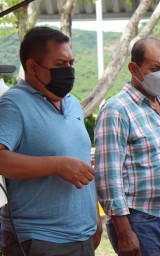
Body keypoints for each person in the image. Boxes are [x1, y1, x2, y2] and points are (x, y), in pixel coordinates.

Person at [0, 26, 101, 256]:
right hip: (39, 239)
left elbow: (81, 161)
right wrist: (56, 165)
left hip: (82, 235)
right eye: (59, 65)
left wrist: (94, 214)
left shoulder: (73, 103)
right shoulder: (13, 104)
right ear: (33, 67)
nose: (68, 70)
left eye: (70, 63)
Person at [94, 37, 160, 256]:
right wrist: (124, 232)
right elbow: (107, 176)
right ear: (134, 68)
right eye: (155, 68)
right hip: (140, 219)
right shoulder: (117, 110)